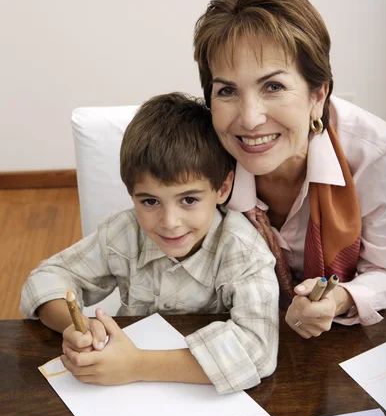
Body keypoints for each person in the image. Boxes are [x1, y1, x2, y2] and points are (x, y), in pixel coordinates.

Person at [20, 93, 279, 394]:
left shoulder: (243, 251)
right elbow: (45, 280)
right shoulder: (124, 232)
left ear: (222, 188)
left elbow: (258, 351)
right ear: (131, 194)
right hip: (121, 391)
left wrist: (137, 365)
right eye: (150, 201)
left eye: (189, 200)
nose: (169, 222)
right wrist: (74, 327)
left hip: (197, 397)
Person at [193, 0, 386, 339]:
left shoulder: (377, 156)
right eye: (227, 91)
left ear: (318, 95)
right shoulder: (198, 159)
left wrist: (339, 298)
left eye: (273, 86)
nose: (250, 118)